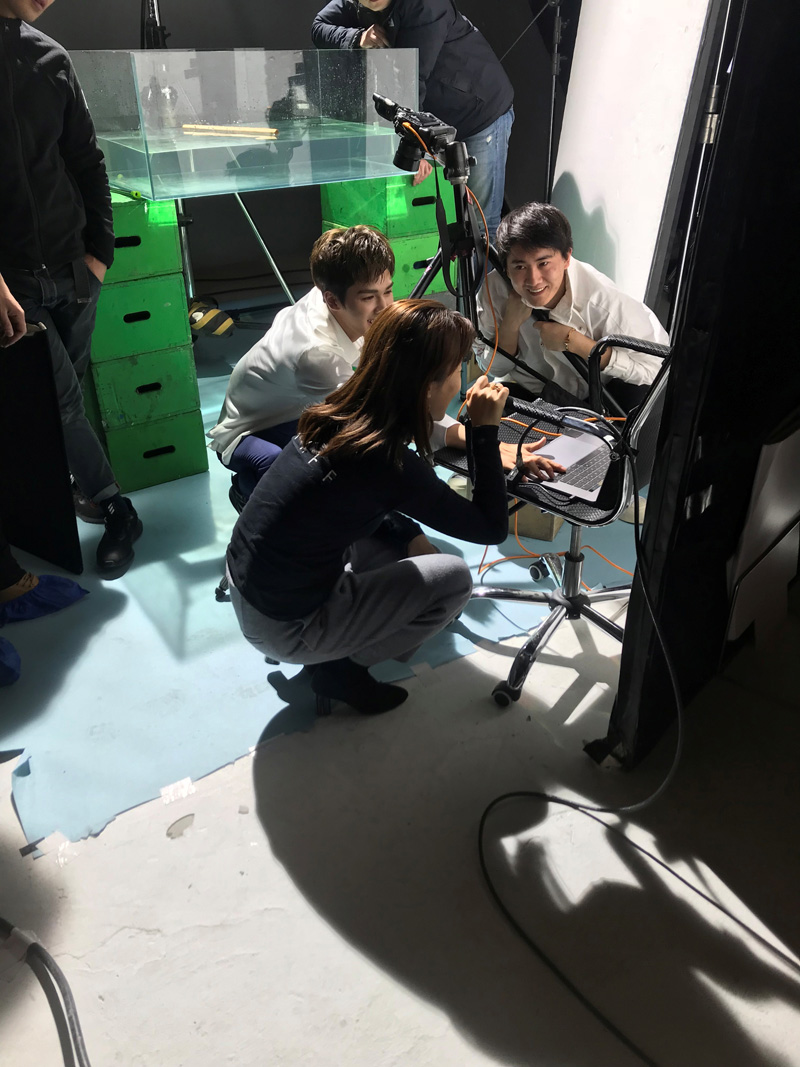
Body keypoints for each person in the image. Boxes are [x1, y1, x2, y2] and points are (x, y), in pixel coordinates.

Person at [226, 300, 561, 716]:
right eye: (456, 370)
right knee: (453, 578)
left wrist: (410, 534)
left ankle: (336, 641)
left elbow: (362, 497)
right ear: (426, 387)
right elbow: (490, 528)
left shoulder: (337, 412)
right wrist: (485, 432)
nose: (459, 381)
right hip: (284, 627)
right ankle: (341, 668)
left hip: (248, 585)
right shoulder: (390, 463)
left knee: (403, 542)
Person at [209, 225, 555, 504]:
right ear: (332, 300)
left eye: (387, 291)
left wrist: (481, 443)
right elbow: (389, 417)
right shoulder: (317, 356)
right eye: (368, 297)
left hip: (300, 408)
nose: (385, 307)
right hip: (249, 431)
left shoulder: (336, 291)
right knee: (291, 479)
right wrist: (486, 445)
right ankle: (246, 491)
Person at [0, 0, 143, 575]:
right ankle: (116, 508)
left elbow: (86, 160)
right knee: (58, 401)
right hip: (14, 285)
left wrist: (100, 253)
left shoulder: (50, 58)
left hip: (75, 271)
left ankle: (76, 493)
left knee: (65, 401)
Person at [311, 0, 514, 239]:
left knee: (480, 225)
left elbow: (412, 77)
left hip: (478, 112)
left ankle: (484, 265)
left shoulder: (426, 5)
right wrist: (358, 37)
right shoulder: (352, 4)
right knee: (454, 228)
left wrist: (419, 147)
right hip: (436, 117)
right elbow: (319, 26)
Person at [478, 202, 670, 413]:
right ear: (506, 267)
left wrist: (579, 344)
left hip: (600, 398)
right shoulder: (494, 291)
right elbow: (491, 368)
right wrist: (510, 326)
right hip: (532, 393)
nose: (533, 280)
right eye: (520, 266)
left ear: (567, 258)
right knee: (481, 411)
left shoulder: (602, 302)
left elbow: (660, 369)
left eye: (543, 263)